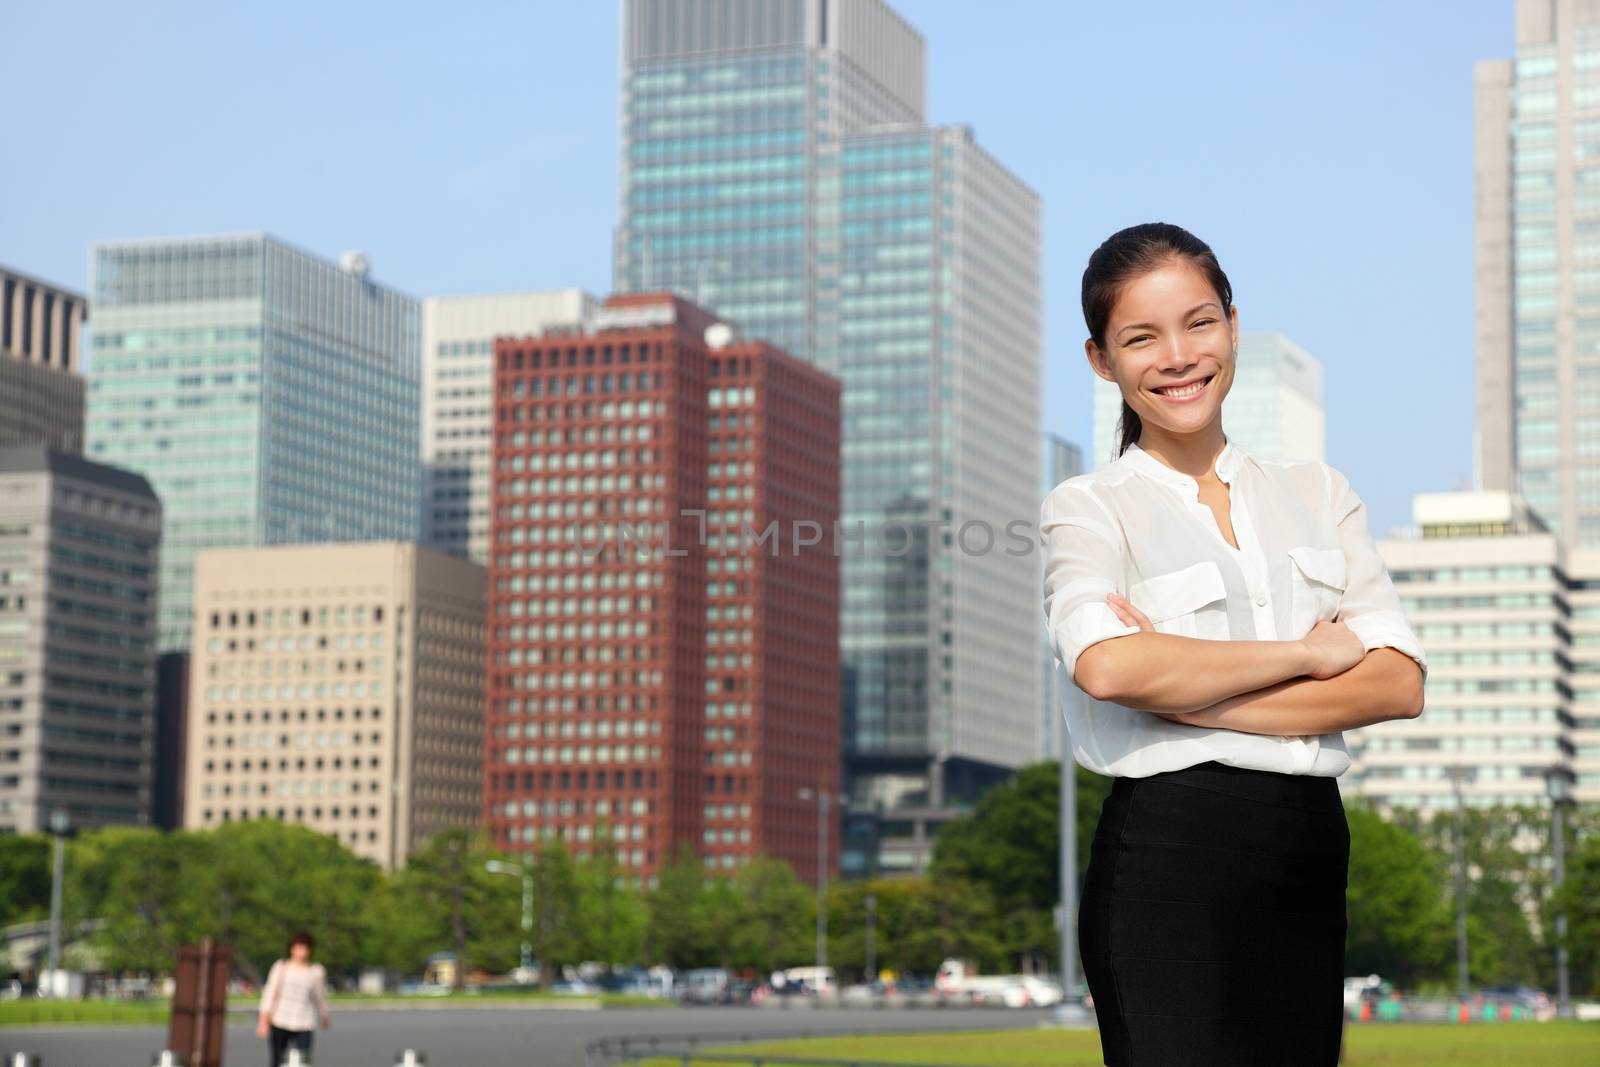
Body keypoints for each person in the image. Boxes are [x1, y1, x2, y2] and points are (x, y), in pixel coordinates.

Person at [1040, 222, 1427, 1066]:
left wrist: (1183, 690)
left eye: (1199, 322)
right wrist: (1307, 654)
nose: (1178, 356)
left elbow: (1397, 684)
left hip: (1310, 856)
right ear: (1102, 360)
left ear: (1234, 324)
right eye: (1141, 337)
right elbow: (1109, 666)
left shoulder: (1319, 493)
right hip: (1168, 862)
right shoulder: (1089, 507)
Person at [256, 931, 330, 1066]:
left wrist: (324, 1015)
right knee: (277, 1060)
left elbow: (319, 997)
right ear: (292, 948)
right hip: (280, 1019)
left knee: (303, 1061)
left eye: (305, 947)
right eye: (299, 947)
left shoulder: (315, 971)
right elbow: (270, 993)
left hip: (304, 1021)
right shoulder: (281, 967)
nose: (302, 951)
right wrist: (263, 1020)